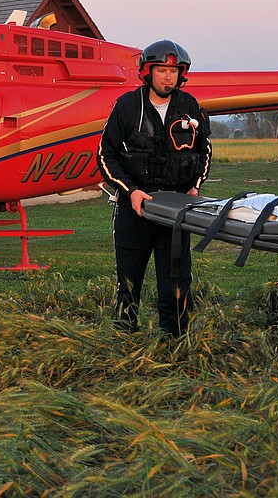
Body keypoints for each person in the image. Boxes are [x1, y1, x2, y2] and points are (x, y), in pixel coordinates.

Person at [98, 40, 212, 338]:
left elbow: (205, 151)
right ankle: (124, 337)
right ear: (148, 72)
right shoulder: (126, 106)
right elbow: (105, 155)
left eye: (173, 71)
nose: (168, 77)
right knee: (128, 281)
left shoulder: (189, 107)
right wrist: (131, 191)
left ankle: (173, 340)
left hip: (175, 214)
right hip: (134, 209)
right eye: (161, 70)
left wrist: (194, 187)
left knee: (175, 281)